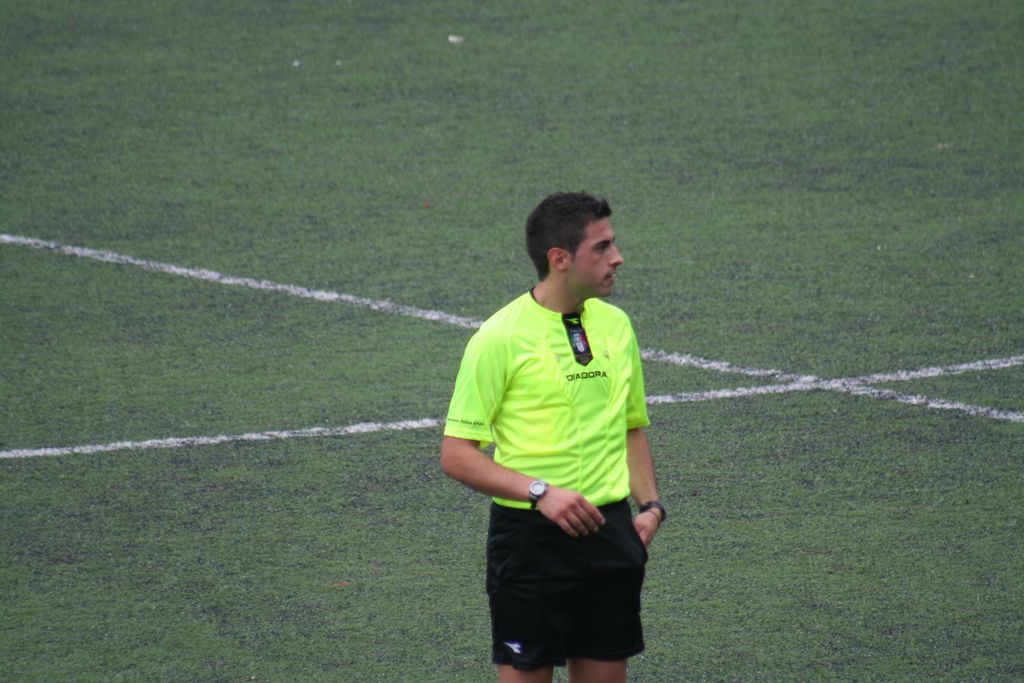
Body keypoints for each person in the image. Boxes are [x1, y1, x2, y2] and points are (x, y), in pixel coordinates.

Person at [440, 191, 665, 683]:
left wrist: (650, 507)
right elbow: (456, 454)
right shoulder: (499, 338)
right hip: (532, 539)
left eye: (613, 244)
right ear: (560, 259)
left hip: (611, 531)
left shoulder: (617, 326)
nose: (617, 258)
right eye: (601, 247)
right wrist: (541, 492)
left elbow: (631, 425)